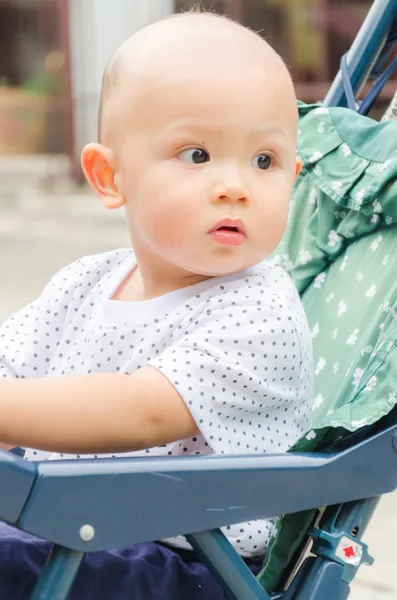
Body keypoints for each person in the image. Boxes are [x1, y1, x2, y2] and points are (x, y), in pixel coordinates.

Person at [0, 9, 313, 599]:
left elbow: (141, 411)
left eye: (264, 161)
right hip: (61, 529)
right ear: (109, 176)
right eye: (197, 155)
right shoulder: (83, 283)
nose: (235, 185)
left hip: (183, 560)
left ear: (293, 178)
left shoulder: (261, 315)